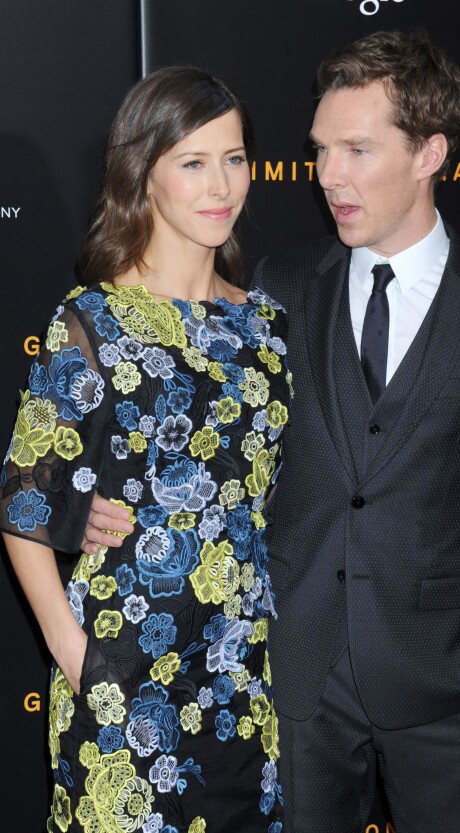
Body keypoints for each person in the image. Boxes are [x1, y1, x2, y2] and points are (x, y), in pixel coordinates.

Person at [82, 31, 460, 833]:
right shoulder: (278, 284)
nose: (329, 176)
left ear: (431, 153)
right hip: (294, 676)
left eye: (356, 148)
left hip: (457, 682)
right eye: (320, 150)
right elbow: (199, 432)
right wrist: (102, 504)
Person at [0, 66, 288, 833]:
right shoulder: (93, 320)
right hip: (122, 676)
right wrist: (76, 656)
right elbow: (25, 501)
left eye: (233, 158)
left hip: (242, 682)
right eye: (192, 162)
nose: (220, 184)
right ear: (144, 175)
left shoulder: (266, 327)